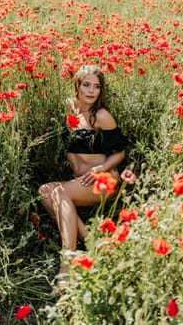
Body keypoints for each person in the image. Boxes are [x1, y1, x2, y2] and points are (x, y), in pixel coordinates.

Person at [38, 65, 128, 288]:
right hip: (80, 183)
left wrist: (101, 168)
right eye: (86, 85)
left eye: (96, 87)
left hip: (103, 180)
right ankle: (90, 240)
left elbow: (120, 151)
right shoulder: (69, 108)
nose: (91, 91)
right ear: (77, 86)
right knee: (44, 192)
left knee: (57, 192)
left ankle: (66, 265)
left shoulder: (102, 116)